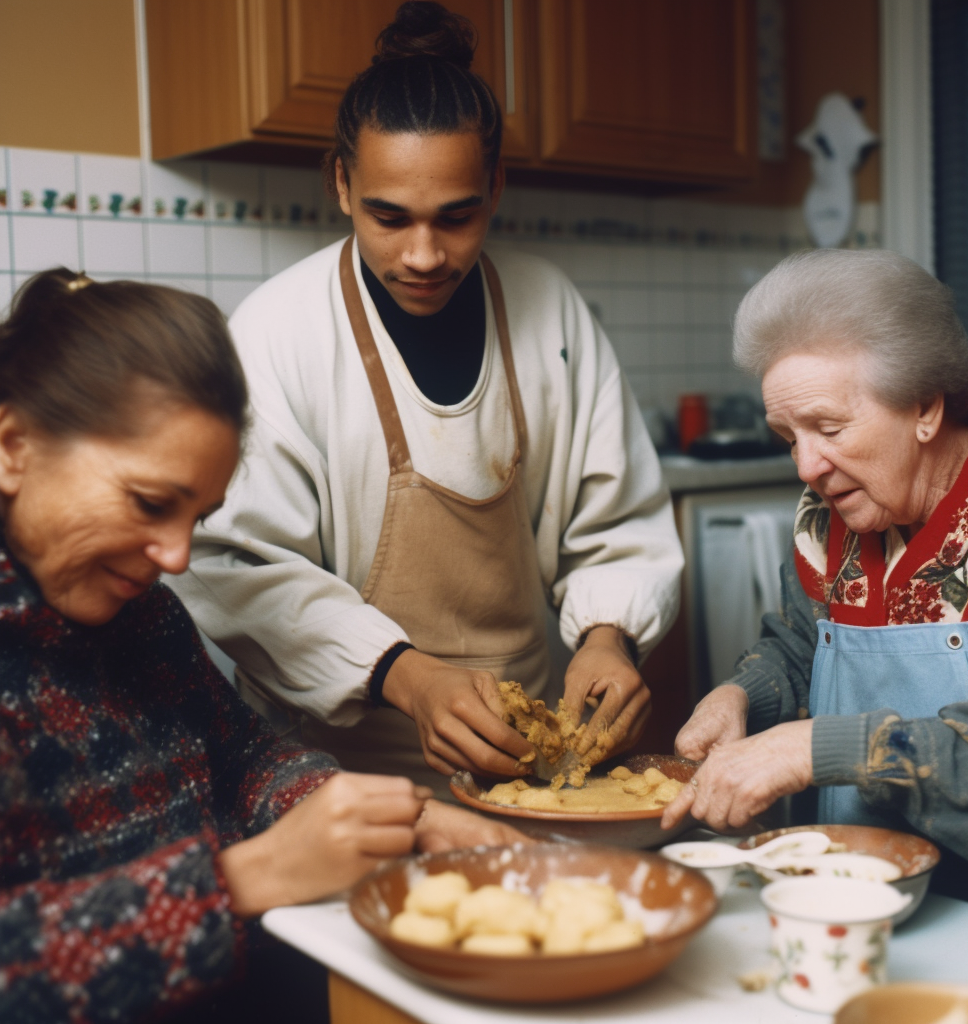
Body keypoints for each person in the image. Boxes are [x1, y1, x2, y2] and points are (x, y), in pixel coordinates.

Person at [170, 1, 684, 791]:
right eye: (389, 216)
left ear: (496, 187)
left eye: (457, 217)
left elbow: (616, 522)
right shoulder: (276, 331)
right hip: (333, 775)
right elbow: (238, 567)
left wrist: (610, 635)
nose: (423, 255)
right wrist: (411, 679)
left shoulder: (551, 308)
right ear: (341, 184)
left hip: (526, 770)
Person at [0, 269, 525, 1024]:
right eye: (150, 504)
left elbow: (242, 756)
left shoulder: (143, 613)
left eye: (198, 514)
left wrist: (388, 818)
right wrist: (247, 878)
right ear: (15, 446)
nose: (176, 557)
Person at [662, 248, 968, 906]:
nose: (805, 466)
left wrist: (815, 748)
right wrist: (743, 695)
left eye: (827, 427)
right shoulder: (835, 518)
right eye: (787, 435)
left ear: (924, 406)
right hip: (845, 898)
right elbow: (801, 644)